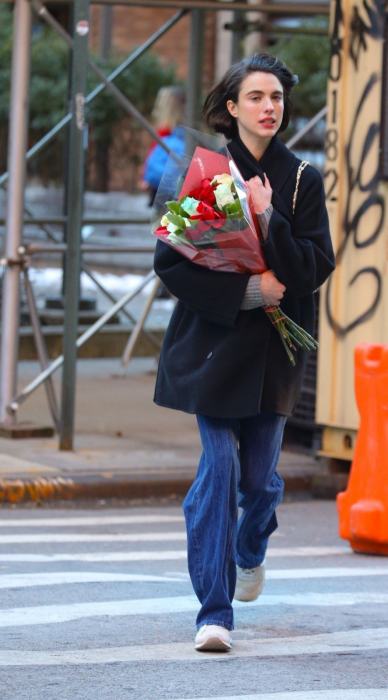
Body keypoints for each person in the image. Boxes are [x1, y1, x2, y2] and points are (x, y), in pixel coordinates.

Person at [152, 53, 335, 652]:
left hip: (276, 355)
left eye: (277, 98)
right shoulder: (204, 171)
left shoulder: (304, 179)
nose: (269, 107)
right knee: (219, 467)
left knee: (258, 481)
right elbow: (169, 262)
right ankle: (213, 612)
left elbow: (314, 267)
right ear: (233, 109)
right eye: (256, 97)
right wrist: (245, 290)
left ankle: (252, 545)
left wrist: (268, 217)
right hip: (212, 346)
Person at [142, 86, 186, 207]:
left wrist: (146, 177)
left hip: (165, 181)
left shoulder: (165, 128)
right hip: (171, 180)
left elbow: (154, 152)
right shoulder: (178, 128)